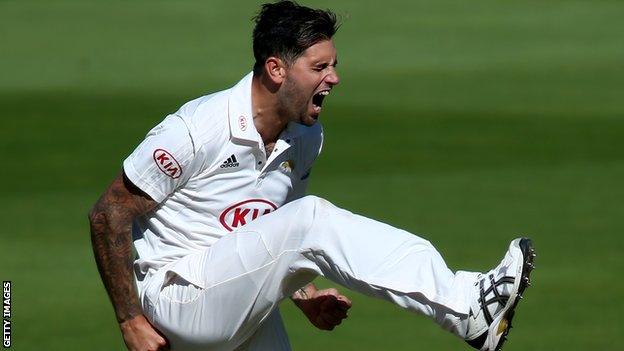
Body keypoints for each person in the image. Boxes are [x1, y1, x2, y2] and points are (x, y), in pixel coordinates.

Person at [89, 1, 536, 351]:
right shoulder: (196, 129)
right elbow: (108, 214)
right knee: (312, 218)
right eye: (319, 67)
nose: (335, 78)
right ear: (276, 69)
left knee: (302, 223)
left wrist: (302, 294)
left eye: (334, 64)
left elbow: (267, 236)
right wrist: (129, 320)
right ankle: (465, 306)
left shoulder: (305, 137)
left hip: (231, 305)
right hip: (175, 303)